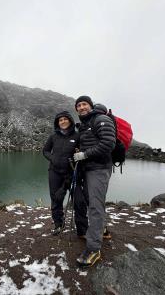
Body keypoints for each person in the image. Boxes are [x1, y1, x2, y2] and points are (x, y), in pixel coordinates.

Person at [72, 95, 116, 267]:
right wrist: (80, 151)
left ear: (90, 106)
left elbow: (108, 144)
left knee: (95, 207)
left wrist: (85, 154)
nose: (81, 107)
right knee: (93, 203)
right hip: (88, 170)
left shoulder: (101, 119)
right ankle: (102, 230)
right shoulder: (85, 124)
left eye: (84, 104)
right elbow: (92, 143)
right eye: (78, 105)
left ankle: (93, 249)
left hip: (99, 169)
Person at [43, 111, 79, 235]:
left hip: (72, 173)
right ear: (57, 123)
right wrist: (53, 158)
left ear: (70, 120)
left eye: (65, 119)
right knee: (56, 199)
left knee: (78, 200)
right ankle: (59, 224)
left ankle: (81, 225)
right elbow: (45, 151)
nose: (63, 122)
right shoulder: (53, 136)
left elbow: (81, 154)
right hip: (54, 172)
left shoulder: (77, 136)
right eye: (60, 120)